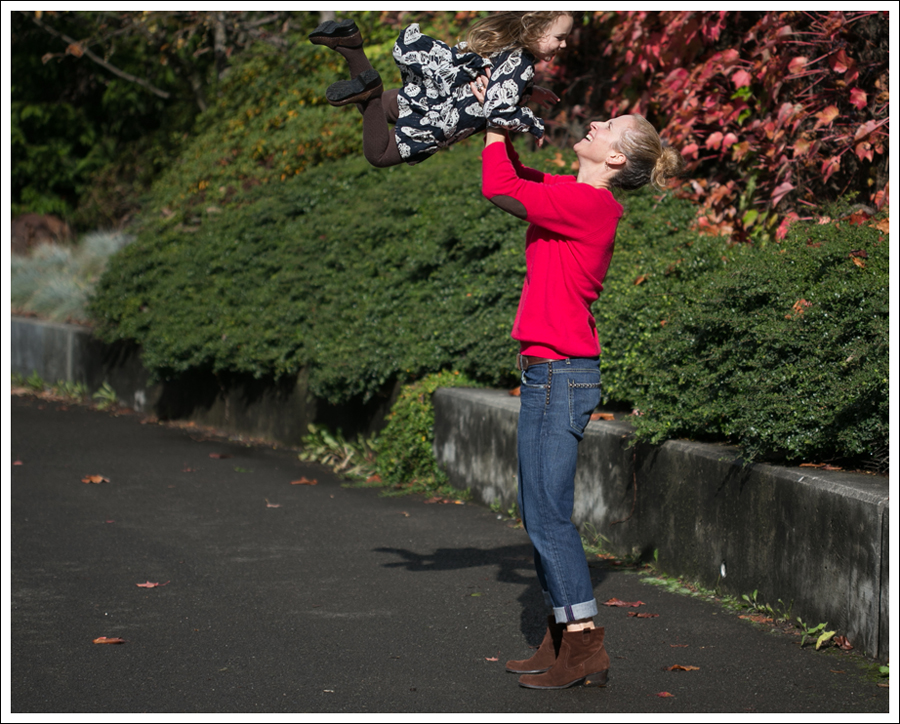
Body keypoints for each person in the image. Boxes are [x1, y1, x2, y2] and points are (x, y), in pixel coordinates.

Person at [476, 88, 684, 689]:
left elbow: (498, 188)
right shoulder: (571, 196)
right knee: (538, 511)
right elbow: (513, 174)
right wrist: (500, 119)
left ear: (617, 159)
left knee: (548, 518)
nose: (594, 122)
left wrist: (493, 127)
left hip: (562, 373)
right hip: (550, 371)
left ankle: (586, 646)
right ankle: (562, 637)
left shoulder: (592, 206)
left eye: (608, 125)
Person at [308, 12, 573, 167]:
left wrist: (530, 92)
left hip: (433, 94)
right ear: (534, 29)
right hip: (443, 119)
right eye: (559, 38)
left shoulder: (506, 43)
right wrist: (533, 122)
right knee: (378, 154)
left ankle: (350, 43)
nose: (563, 45)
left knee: (372, 113)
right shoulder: (524, 64)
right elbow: (498, 109)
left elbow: (500, 84)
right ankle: (369, 87)